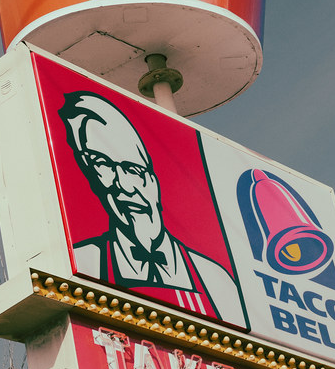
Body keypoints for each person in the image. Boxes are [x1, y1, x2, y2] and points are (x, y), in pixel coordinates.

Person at [58, 91, 245, 326]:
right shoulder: (85, 261)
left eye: (132, 169)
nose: (123, 186)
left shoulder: (214, 280)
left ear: (153, 180)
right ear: (91, 176)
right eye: (103, 165)